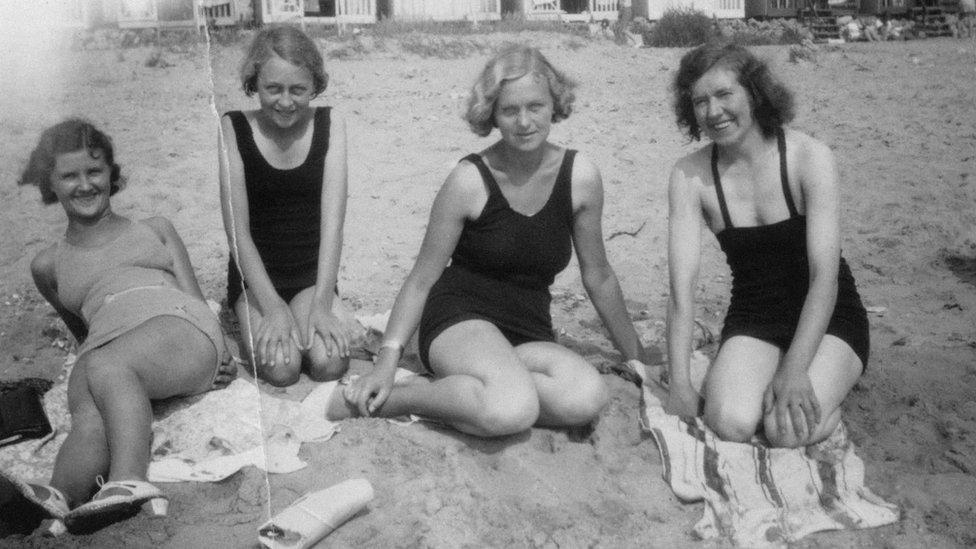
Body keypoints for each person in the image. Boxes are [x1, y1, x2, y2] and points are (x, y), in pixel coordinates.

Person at [324, 45, 651, 437]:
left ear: (554, 106)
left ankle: (481, 388)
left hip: (528, 330)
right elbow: (421, 279)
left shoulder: (580, 177)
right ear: (492, 114)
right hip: (460, 320)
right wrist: (387, 360)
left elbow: (598, 275)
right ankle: (404, 397)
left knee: (585, 397)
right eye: (510, 110)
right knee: (511, 409)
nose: (524, 122)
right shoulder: (469, 180)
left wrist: (638, 358)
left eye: (536, 106)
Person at [7, 119, 237, 533]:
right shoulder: (48, 264)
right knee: (90, 409)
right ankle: (59, 501)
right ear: (51, 185)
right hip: (111, 349)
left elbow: (197, 302)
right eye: (69, 176)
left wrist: (223, 349)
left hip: (177, 328)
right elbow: (84, 332)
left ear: (112, 174)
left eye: (94, 171)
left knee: (106, 368)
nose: (84, 184)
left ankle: (130, 480)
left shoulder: (155, 229)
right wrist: (87, 368)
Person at [665, 44, 869, 448]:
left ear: (754, 94)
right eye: (700, 101)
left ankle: (830, 401)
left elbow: (824, 278)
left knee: (784, 430)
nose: (714, 112)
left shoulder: (809, 157)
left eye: (725, 95)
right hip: (755, 315)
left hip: (830, 317)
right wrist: (680, 383)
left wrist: (793, 369)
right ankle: (804, 395)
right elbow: (680, 289)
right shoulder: (689, 176)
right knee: (729, 421)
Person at [219, 25, 356, 387]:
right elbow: (237, 233)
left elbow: (333, 227)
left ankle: (309, 310)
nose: (285, 101)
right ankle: (250, 312)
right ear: (254, 84)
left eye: (298, 89)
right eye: (273, 89)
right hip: (256, 278)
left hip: (312, 275)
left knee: (330, 363)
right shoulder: (233, 128)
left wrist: (323, 303)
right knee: (282, 368)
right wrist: (274, 307)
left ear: (314, 86)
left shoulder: (331, 123)